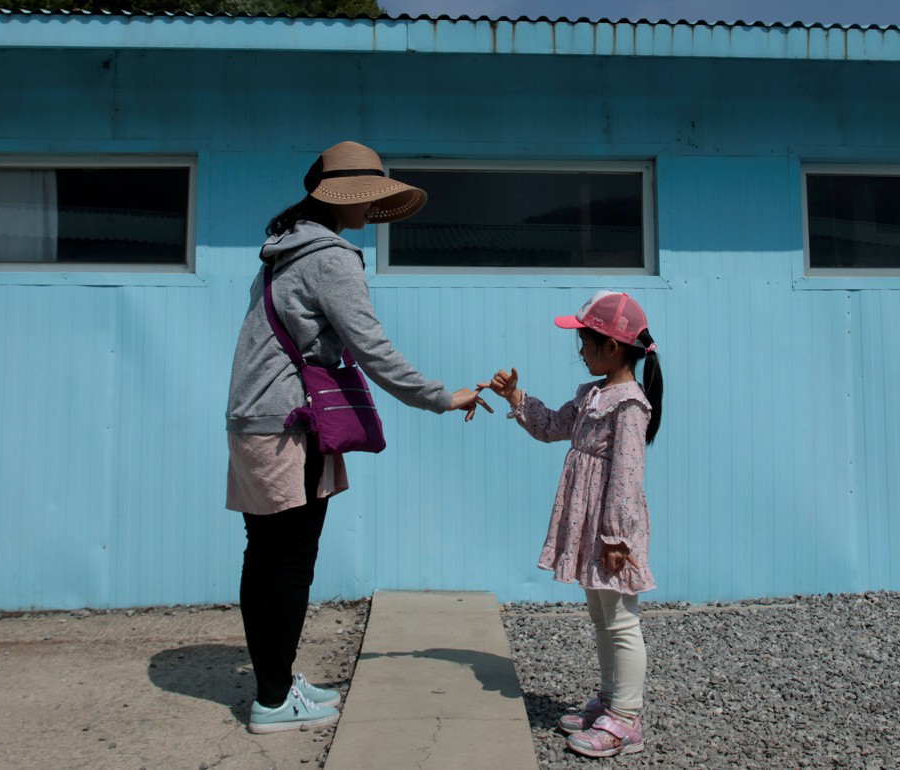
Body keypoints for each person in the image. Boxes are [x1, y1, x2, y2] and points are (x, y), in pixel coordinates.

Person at [224, 140, 490, 734]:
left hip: (256, 422)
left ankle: (275, 680)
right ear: (342, 197)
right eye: (366, 195)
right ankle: (270, 700)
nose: (372, 207)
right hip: (290, 425)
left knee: (266, 557)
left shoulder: (283, 251)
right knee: (289, 562)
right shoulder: (331, 257)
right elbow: (371, 347)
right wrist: (442, 396)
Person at [481, 291, 663, 759]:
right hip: (591, 528)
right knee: (602, 616)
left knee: (621, 619)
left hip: (610, 531)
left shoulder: (629, 404)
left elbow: (626, 474)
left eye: (584, 341)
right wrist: (515, 397)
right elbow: (550, 426)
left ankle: (626, 718)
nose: (579, 350)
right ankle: (609, 700)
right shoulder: (592, 395)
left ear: (613, 347)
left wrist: (617, 536)